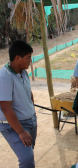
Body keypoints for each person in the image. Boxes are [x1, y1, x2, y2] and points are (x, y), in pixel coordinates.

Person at [0, 40, 37, 168]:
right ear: (17, 58)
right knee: (27, 159)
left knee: (29, 153)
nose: (30, 61)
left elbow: (29, 92)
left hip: (30, 120)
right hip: (14, 127)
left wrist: (33, 112)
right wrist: (20, 131)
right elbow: (5, 108)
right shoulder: (4, 77)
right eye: (28, 58)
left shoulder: (23, 72)